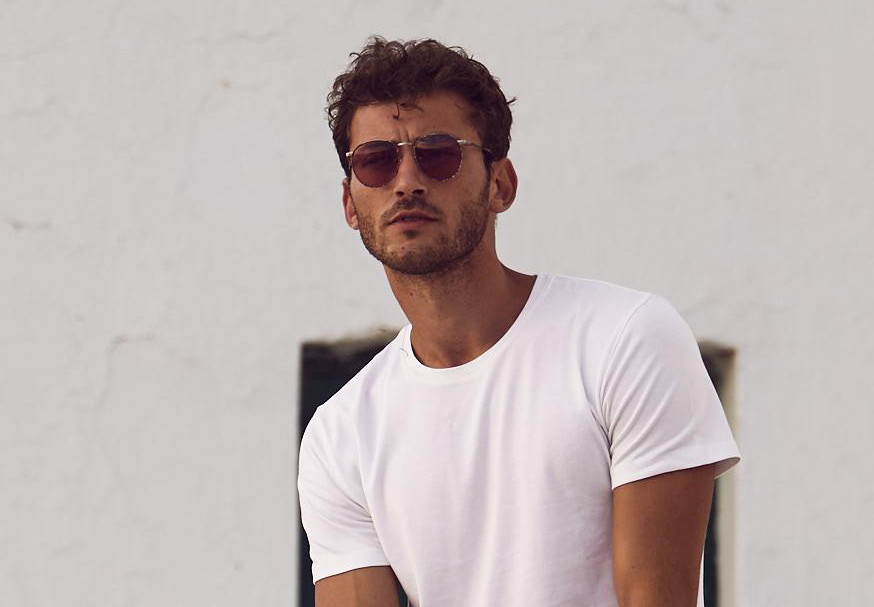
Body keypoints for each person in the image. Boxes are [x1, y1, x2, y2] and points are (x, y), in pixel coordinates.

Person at [297, 37, 740, 607]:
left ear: (500, 185)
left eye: (438, 154)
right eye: (377, 161)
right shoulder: (340, 435)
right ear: (350, 204)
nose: (406, 181)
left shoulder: (626, 338)